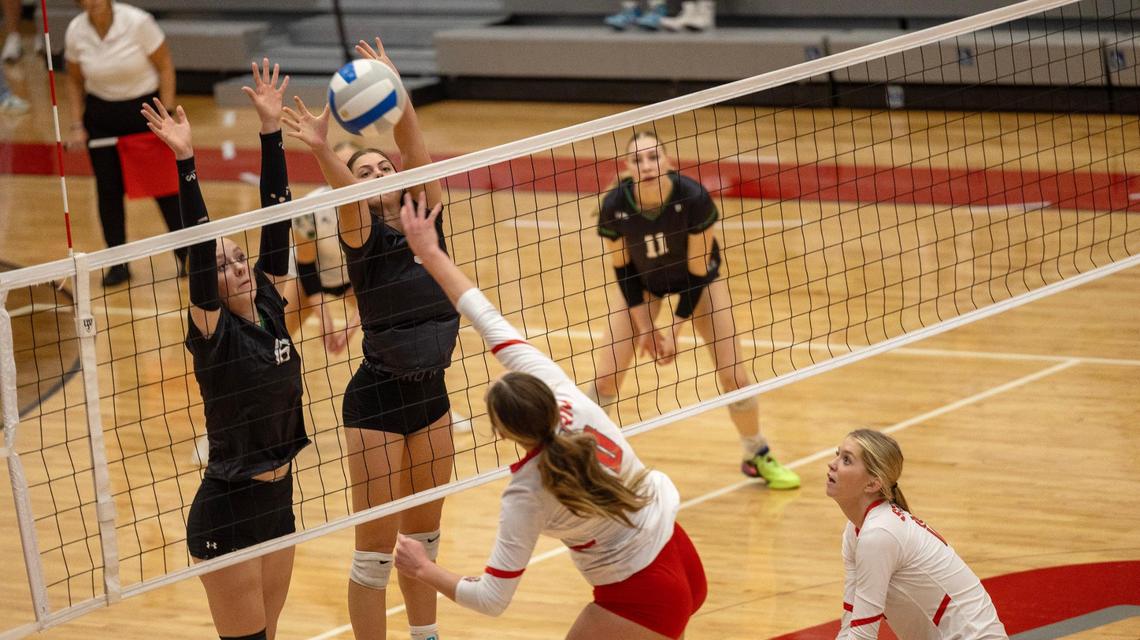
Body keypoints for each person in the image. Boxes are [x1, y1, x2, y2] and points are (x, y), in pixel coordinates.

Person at [393, 193, 707, 640]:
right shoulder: (568, 397)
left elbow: (492, 599)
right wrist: (431, 251)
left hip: (641, 594)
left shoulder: (526, 493)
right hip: (679, 553)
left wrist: (424, 568)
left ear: (502, 433)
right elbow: (488, 318)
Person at [282, 37, 456, 640]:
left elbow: (413, 147)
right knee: (375, 553)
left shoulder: (427, 218)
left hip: (432, 396)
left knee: (423, 542)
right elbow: (347, 196)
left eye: (384, 167)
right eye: (366, 171)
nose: (379, 172)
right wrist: (324, 149)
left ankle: (425, 636)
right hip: (377, 402)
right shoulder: (362, 236)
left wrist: (398, 90)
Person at [141, 60, 311, 640]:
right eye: (221, 265)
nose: (236, 266)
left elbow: (278, 220)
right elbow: (197, 249)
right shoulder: (212, 333)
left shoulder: (270, 304)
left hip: (281, 498)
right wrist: (186, 162)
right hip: (229, 506)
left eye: (239, 258)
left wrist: (271, 133)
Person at [588, 130, 800, 489]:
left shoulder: (693, 198)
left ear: (668, 161)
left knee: (734, 374)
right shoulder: (615, 206)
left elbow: (699, 268)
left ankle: (756, 453)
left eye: (654, 157)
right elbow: (623, 270)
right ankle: (584, 462)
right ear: (628, 167)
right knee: (606, 376)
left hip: (697, 282)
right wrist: (645, 327)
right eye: (638, 159)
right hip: (643, 284)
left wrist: (673, 329)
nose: (647, 165)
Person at [827, 430, 1008, 639]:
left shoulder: (878, 534)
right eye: (838, 454)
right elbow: (850, 623)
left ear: (872, 484)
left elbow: (863, 636)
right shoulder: (855, 531)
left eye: (846, 460)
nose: (832, 463)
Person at [65, 0, 183, 286]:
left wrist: (165, 114)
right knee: (108, 191)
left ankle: (188, 256)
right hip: (101, 117)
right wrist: (77, 124)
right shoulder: (75, 31)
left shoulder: (138, 21)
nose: (90, 2)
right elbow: (73, 81)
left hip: (141, 114)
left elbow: (165, 66)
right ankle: (117, 263)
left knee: (165, 188)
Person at [281, 140, 362, 355]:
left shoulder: (375, 208)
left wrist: (350, 329)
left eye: (350, 166)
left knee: (389, 319)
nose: (344, 173)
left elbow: (378, 274)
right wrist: (324, 318)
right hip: (307, 276)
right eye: (339, 166)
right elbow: (306, 266)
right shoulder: (309, 209)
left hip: (353, 278)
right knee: (277, 335)